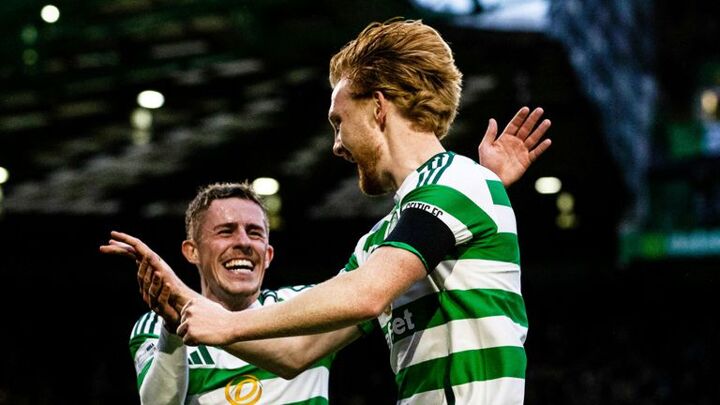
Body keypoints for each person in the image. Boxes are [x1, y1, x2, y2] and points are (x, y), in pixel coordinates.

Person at [112, 18, 552, 404]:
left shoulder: (455, 181)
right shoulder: (387, 237)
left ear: (378, 107)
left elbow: (368, 293)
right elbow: (295, 353)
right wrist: (185, 301)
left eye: (339, 122)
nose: (337, 145)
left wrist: (227, 326)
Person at [102, 182, 359, 404]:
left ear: (268, 255)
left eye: (254, 233)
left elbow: (368, 292)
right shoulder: (156, 326)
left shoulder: (304, 305)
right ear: (192, 251)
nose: (243, 242)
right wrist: (172, 332)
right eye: (226, 231)